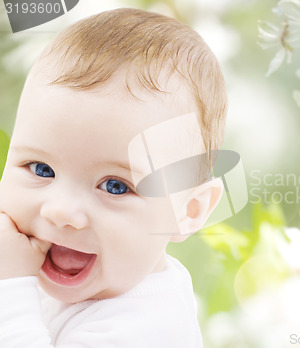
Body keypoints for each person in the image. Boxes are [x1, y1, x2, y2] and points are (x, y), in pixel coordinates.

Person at [0, 7, 227, 347]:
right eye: (41, 169)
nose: (61, 211)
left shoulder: (144, 330)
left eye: (115, 187)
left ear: (188, 210)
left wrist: (10, 289)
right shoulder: (109, 275)